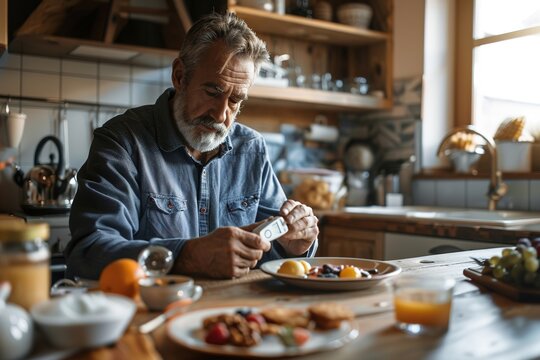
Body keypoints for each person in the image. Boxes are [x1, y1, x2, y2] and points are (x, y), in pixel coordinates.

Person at [65, 12, 319, 280]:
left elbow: (269, 254)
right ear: (179, 76)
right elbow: (89, 252)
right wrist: (186, 255)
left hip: (232, 314)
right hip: (150, 314)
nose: (222, 115)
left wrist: (293, 246)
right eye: (212, 92)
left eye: (235, 101)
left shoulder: (251, 149)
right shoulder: (123, 142)